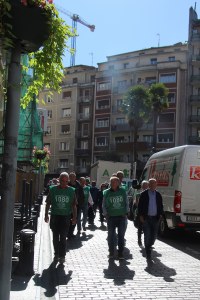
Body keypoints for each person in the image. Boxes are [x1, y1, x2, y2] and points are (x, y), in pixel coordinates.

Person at [44, 172, 77, 264]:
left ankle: (62, 256)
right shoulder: (53, 189)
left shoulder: (71, 190)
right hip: (55, 216)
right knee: (55, 237)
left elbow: (74, 205)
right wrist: (46, 215)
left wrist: (74, 217)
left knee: (63, 237)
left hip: (66, 217)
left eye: (66, 181)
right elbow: (48, 203)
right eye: (62, 181)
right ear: (59, 180)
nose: (64, 183)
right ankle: (56, 254)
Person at [138, 178, 164, 263]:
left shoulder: (158, 195)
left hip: (155, 218)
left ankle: (150, 244)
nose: (153, 185)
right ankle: (148, 252)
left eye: (154, 183)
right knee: (147, 235)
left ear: (156, 185)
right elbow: (140, 206)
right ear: (149, 185)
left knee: (154, 236)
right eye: (151, 184)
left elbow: (160, 206)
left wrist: (160, 215)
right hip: (146, 218)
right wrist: (141, 216)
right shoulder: (144, 194)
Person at [103, 176, 129, 260]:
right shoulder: (106, 192)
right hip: (111, 217)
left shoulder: (123, 191)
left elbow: (126, 202)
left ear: (118, 183)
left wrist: (126, 212)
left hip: (121, 217)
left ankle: (120, 253)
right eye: (112, 182)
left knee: (121, 236)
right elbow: (104, 205)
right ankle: (111, 252)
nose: (113, 183)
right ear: (110, 183)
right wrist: (106, 214)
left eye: (115, 182)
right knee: (110, 236)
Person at [67, 172, 85, 238]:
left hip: (77, 205)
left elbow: (82, 195)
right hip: (68, 205)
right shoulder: (67, 184)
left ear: (75, 177)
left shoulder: (78, 185)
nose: (72, 178)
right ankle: (68, 232)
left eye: (73, 177)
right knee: (68, 219)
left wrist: (80, 204)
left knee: (75, 218)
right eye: (70, 177)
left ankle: (71, 232)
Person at [133, 180, 149, 247]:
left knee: (147, 228)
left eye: (146, 186)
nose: (145, 187)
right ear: (142, 187)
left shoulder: (149, 194)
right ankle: (139, 239)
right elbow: (136, 204)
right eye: (144, 186)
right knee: (140, 227)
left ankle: (147, 241)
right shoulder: (138, 194)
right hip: (140, 213)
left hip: (148, 213)